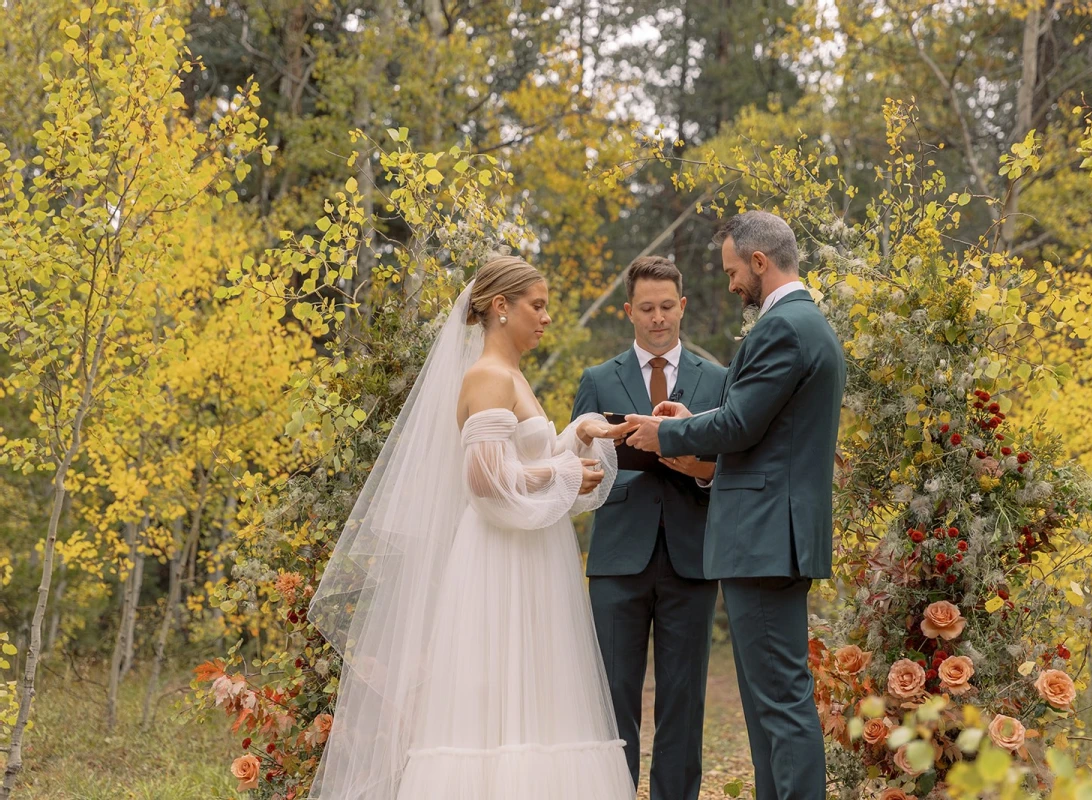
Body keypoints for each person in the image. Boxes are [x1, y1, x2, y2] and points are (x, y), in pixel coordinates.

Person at [308, 256, 635, 800]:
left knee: (534, 694)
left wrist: (579, 436)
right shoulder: (486, 376)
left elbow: (522, 462)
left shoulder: (512, 376)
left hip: (530, 551)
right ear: (500, 307)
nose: (546, 318)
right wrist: (562, 470)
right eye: (537, 305)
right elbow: (484, 479)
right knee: (492, 695)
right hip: (498, 557)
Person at [623, 211, 846, 800]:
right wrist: (696, 421)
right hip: (770, 537)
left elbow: (743, 424)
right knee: (768, 706)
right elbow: (765, 431)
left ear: (758, 262)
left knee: (779, 703)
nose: (730, 285)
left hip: (765, 539)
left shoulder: (786, 328)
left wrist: (665, 435)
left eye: (731, 272)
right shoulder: (802, 325)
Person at [570, 256, 726, 800]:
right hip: (618, 557)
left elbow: (729, 467)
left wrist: (699, 469)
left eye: (667, 307)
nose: (658, 318)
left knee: (684, 698)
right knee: (612, 694)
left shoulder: (721, 381)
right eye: (646, 308)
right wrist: (600, 469)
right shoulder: (596, 380)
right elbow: (578, 470)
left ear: (681, 307)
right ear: (628, 311)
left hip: (692, 556)